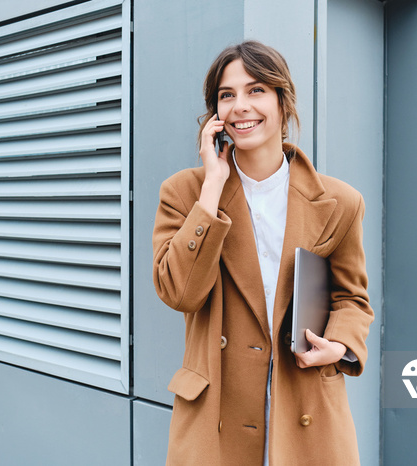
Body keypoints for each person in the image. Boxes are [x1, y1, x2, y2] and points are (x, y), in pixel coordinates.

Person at [152, 40, 374, 465]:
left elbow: (353, 301)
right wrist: (212, 188)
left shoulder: (341, 202)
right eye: (227, 95)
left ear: (282, 101)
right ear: (214, 114)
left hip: (305, 407)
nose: (240, 106)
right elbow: (179, 293)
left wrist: (340, 345)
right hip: (217, 411)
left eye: (256, 90)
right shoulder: (184, 193)